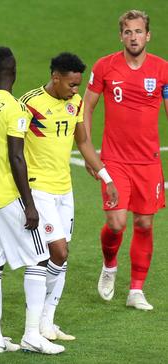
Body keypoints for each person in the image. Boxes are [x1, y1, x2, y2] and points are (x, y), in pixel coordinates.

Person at [0, 46, 64, 355]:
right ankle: (32, 335)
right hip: (8, 197)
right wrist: (30, 204)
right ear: (15, 72)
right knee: (38, 260)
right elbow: (16, 157)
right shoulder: (15, 109)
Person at [21, 52, 118, 340]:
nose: (76, 91)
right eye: (72, 85)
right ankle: (36, 319)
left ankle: (47, 321)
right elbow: (12, 147)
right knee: (58, 251)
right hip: (39, 189)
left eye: (78, 85)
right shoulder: (30, 104)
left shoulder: (73, 103)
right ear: (56, 77)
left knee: (63, 256)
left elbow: (84, 140)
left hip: (65, 190)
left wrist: (105, 175)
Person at [84, 9, 168, 311]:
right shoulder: (105, 67)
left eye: (139, 31)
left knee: (144, 223)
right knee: (117, 222)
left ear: (148, 35)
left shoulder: (162, 70)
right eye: (128, 32)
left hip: (148, 162)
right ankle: (109, 265)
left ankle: (136, 290)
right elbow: (88, 107)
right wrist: (89, 149)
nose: (134, 37)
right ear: (121, 36)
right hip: (115, 160)